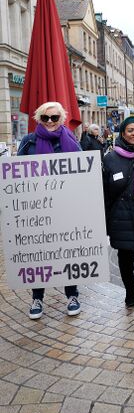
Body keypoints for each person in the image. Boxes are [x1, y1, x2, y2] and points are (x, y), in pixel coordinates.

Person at [18, 101, 82, 320]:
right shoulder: (29, 141)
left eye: (54, 117)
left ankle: (72, 295)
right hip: (38, 208)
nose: (50, 121)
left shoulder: (71, 140)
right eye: (45, 118)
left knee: (67, 253)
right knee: (39, 254)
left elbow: (83, 171)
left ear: (61, 119)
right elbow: (17, 175)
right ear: (39, 118)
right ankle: (37, 298)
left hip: (66, 206)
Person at [102, 116, 134, 308]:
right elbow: (105, 193)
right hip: (121, 217)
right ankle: (130, 292)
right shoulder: (110, 158)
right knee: (125, 259)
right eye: (130, 130)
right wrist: (105, 222)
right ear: (122, 133)